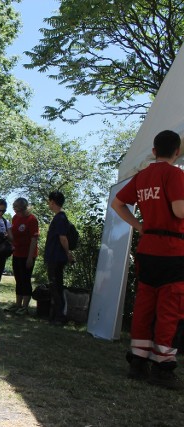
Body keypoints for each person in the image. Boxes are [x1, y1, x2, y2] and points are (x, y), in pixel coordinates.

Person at [111, 129, 184, 390]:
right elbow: (179, 210)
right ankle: (162, 367)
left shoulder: (142, 176)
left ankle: (138, 362)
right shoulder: (175, 174)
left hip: (147, 248)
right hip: (173, 251)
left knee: (144, 304)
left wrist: (139, 226)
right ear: (177, 151)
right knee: (169, 308)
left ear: (154, 151)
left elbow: (117, 204)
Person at [44, 191, 74, 325]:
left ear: (52, 202)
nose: (48, 204)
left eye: (49, 201)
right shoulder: (58, 217)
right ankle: (55, 315)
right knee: (54, 286)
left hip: (57, 258)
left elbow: (63, 238)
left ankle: (60, 317)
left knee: (56, 287)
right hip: (54, 257)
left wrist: (68, 253)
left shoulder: (61, 218)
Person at [5, 197, 38, 315]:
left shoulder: (32, 219)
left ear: (24, 208)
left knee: (25, 280)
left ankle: (25, 306)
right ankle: (17, 304)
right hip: (17, 253)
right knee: (18, 280)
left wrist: (30, 257)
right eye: (14, 209)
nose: (15, 211)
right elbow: (13, 235)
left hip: (28, 255)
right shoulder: (15, 218)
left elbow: (34, 239)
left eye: (17, 209)